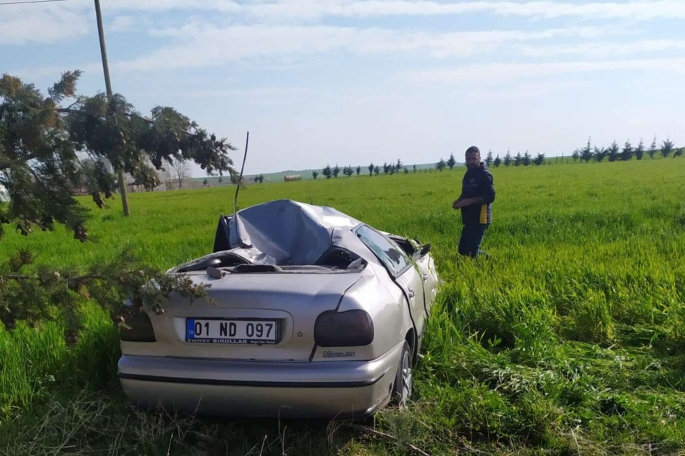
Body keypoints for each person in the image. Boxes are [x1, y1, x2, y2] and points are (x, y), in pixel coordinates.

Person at [452, 146, 495, 257]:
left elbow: (490, 196)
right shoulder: (468, 174)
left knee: (472, 251)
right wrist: (459, 200)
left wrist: (469, 201)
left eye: (473, 158)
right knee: (462, 250)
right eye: (468, 159)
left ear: (479, 158)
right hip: (468, 217)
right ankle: (486, 259)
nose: (471, 162)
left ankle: (489, 262)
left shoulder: (484, 175)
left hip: (481, 217)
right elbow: (465, 193)